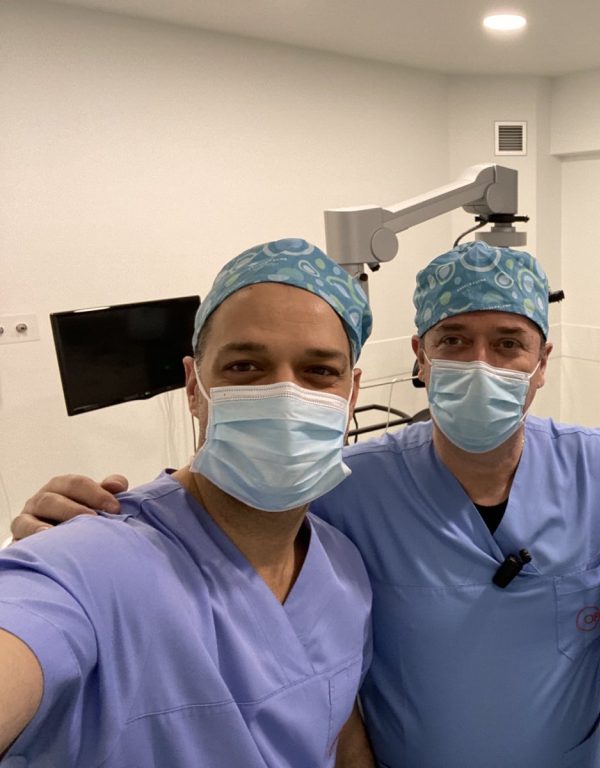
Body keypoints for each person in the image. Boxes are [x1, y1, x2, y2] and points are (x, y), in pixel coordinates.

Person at [11, 244, 600, 767]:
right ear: (418, 357)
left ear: (543, 363)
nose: (482, 364)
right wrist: (85, 523)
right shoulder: (347, 485)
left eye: (509, 343)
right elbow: (216, 522)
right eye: (455, 341)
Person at [0, 239, 376, 766]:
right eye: (245, 366)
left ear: (351, 394)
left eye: (319, 371)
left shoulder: (343, 568)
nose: (286, 397)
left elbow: (341, 734)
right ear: (193, 386)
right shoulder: (93, 561)